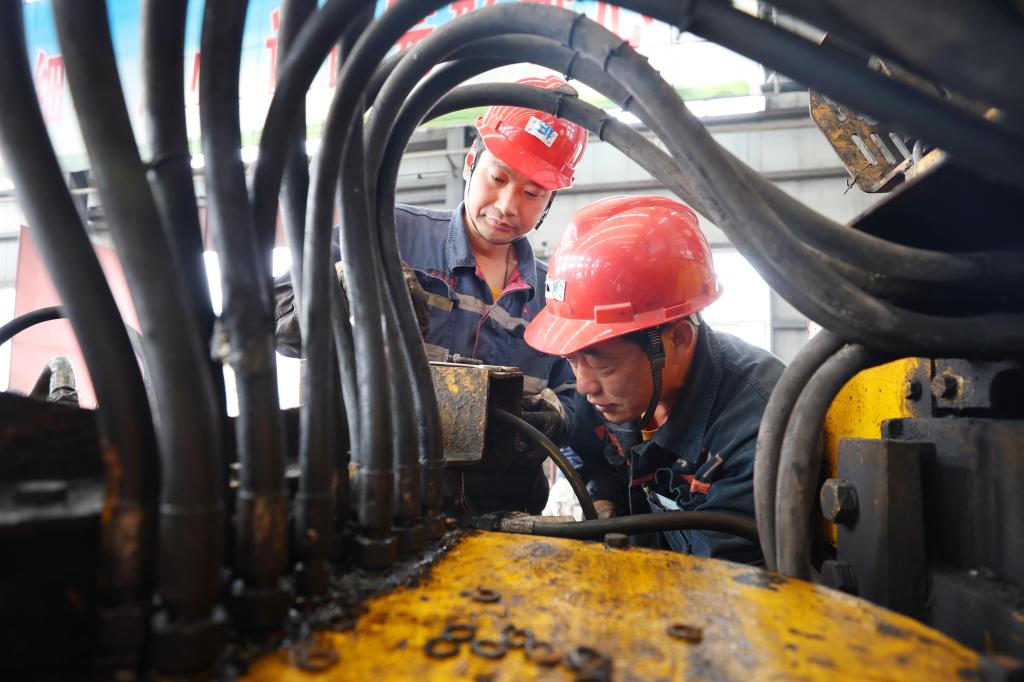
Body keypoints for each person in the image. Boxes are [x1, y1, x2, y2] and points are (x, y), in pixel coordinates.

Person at [275, 75, 588, 515]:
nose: (507, 205)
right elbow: (271, 317)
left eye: (532, 193)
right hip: (380, 507)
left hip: (503, 520)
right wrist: (347, 285)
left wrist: (556, 416)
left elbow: (579, 397)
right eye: (498, 177)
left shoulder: (554, 296)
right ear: (470, 162)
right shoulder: (390, 234)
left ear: (549, 200)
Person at [523, 195, 784, 564]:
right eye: (571, 360)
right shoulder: (602, 387)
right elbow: (596, 461)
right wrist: (604, 500)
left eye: (602, 365)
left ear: (678, 340)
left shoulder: (757, 430)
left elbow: (728, 579)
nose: (583, 386)